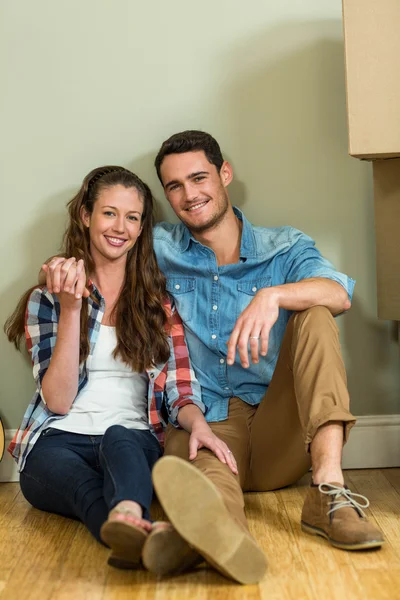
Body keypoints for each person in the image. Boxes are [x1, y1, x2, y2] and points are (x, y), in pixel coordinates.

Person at [144, 130, 384, 584]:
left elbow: (339, 293)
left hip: (282, 430)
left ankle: (328, 492)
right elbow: (105, 248)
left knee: (314, 313)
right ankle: (217, 537)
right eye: (174, 186)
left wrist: (274, 295)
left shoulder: (283, 247)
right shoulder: (159, 248)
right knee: (199, 475)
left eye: (199, 178)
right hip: (209, 426)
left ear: (225, 174)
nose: (189, 194)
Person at [4, 165, 233, 572]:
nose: (120, 227)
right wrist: (72, 306)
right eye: (109, 213)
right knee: (81, 488)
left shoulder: (157, 304)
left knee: (119, 436)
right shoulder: (48, 298)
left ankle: (130, 523)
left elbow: (180, 385)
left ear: (142, 227)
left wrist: (197, 423)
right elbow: (58, 401)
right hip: (57, 441)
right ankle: (139, 531)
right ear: (85, 216)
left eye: (132, 217)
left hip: (132, 438)